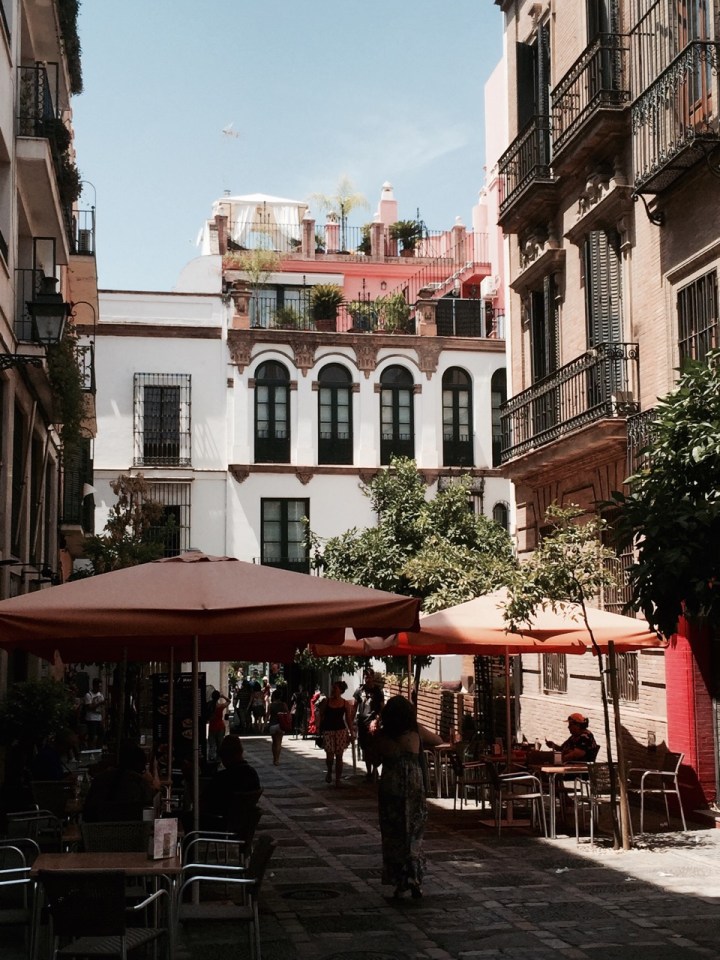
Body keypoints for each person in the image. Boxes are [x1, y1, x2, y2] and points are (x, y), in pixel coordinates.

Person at [375, 695, 427, 899]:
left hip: (390, 789)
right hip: (414, 788)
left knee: (393, 835)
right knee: (413, 833)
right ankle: (414, 878)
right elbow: (439, 740)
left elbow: (374, 758)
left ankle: (399, 881)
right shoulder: (416, 732)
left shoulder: (382, 736)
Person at [198, 735, 263, 838]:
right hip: (244, 825)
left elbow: (202, 804)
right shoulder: (252, 774)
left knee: (188, 818)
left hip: (221, 823)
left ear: (225, 757)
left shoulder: (223, 777)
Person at [83, 741, 159, 822]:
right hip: (133, 830)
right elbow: (150, 808)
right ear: (141, 766)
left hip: (96, 830)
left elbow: (87, 811)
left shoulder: (100, 779)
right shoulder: (139, 783)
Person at [318, 681, 354, 787]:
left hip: (340, 731)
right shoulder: (326, 701)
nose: (333, 690)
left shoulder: (345, 703)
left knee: (339, 756)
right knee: (329, 756)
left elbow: (348, 719)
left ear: (341, 691)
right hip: (328, 730)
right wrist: (319, 729)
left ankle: (338, 779)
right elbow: (321, 714)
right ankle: (329, 771)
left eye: (335, 688)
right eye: (333, 688)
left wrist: (351, 732)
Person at [354, 671, 384, 781]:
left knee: (374, 747)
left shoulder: (377, 691)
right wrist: (353, 722)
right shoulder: (359, 690)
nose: (368, 679)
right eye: (366, 677)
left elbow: (382, 707)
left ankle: (375, 770)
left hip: (373, 723)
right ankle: (369, 772)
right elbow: (354, 706)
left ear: (373, 678)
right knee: (365, 748)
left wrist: (377, 720)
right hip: (362, 722)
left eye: (370, 677)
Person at [267, 688, 290, 765]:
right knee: (279, 743)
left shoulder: (271, 705)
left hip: (272, 724)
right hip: (281, 724)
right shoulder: (283, 705)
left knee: (274, 742)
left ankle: (274, 758)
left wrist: (264, 725)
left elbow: (267, 715)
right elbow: (288, 714)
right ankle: (277, 759)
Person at [206, 690, 229, 762]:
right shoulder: (220, 706)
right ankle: (219, 757)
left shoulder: (209, 705)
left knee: (212, 744)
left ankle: (211, 757)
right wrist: (222, 696)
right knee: (220, 743)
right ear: (218, 697)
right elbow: (229, 701)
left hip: (212, 727)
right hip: (220, 726)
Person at [84, 678, 105, 748]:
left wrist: (103, 718)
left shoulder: (100, 695)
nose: (100, 688)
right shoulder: (88, 695)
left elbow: (102, 708)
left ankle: (99, 749)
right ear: (94, 686)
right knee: (92, 736)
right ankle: (90, 750)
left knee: (101, 734)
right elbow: (89, 707)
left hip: (99, 718)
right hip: (91, 718)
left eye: (100, 686)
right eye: (98, 686)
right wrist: (99, 703)